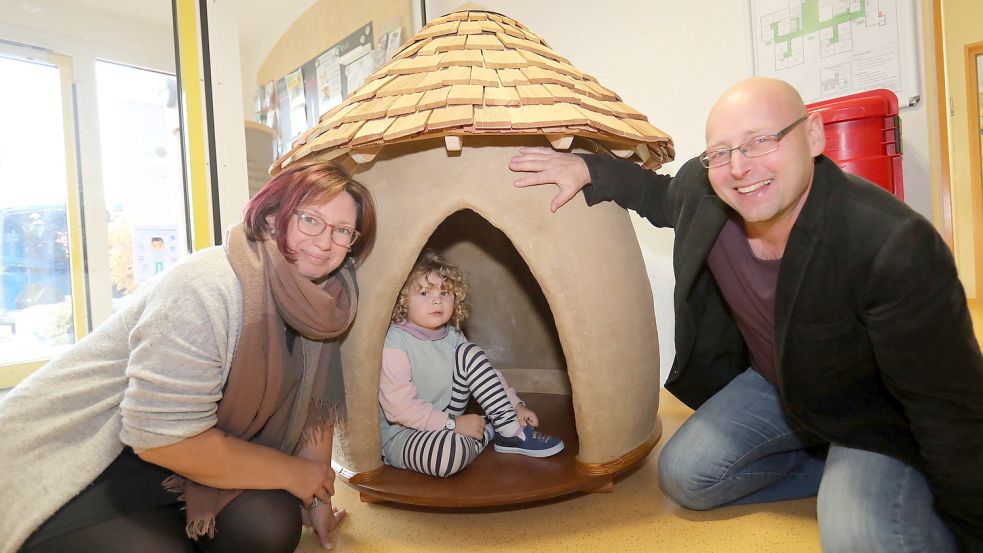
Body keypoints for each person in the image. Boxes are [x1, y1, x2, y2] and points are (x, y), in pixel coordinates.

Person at [509, 77, 983, 552]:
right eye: (720, 152)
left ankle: (862, 475)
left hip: (872, 412)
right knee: (685, 479)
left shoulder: (892, 245)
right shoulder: (707, 192)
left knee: (855, 538)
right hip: (774, 385)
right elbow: (658, 196)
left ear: (813, 135)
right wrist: (586, 167)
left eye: (761, 141)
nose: (739, 167)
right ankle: (828, 469)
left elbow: (952, 415)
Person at [0, 161, 377, 553]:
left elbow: (315, 410)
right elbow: (159, 438)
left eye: (342, 231)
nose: (324, 242)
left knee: (271, 528)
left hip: (193, 456)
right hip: (96, 459)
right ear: (271, 218)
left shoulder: (327, 302)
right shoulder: (206, 288)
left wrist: (316, 494)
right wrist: (292, 472)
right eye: (311, 220)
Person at [378, 249, 564, 478]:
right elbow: (400, 409)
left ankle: (507, 427)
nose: (437, 300)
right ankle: (487, 432)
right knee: (448, 455)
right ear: (402, 301)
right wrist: (453, 425)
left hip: (449, 416)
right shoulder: (394, 341)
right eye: (425, 293)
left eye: (445, 292)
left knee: (470, 353)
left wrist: (515, 406)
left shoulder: (453, 336)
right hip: (404, 433)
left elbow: (488, 374)